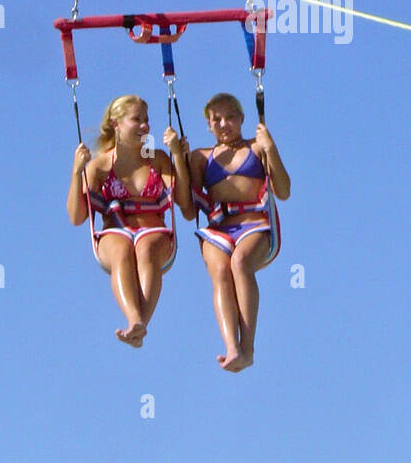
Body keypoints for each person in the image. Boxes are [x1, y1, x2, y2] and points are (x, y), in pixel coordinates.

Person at [68, 95, 190, 349]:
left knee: (145, 248)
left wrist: (178, 156)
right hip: (116, 232)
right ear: (116, 124)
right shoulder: (99, 166)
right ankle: (135, 320)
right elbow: (77, 217)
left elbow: (185, 205)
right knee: (122, 250)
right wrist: (76, 171)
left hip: (152, 230)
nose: (145, 126)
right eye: (137, 120)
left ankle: (139, 325)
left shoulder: (157, 159)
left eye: (147, 120)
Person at [180, 93, 290, 372]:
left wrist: (271, 148)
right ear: (208, 125)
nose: (224, 124)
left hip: (255, 225)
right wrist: (177, 159)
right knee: (220, 271)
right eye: (216, 119)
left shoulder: (256, 148)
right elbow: (189, 210)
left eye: (230, 117)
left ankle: (248, 348)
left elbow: (284, 191)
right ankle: (231, 347)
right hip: (218, 230)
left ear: (242, 119)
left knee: (239, 263)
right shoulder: (201, 157)